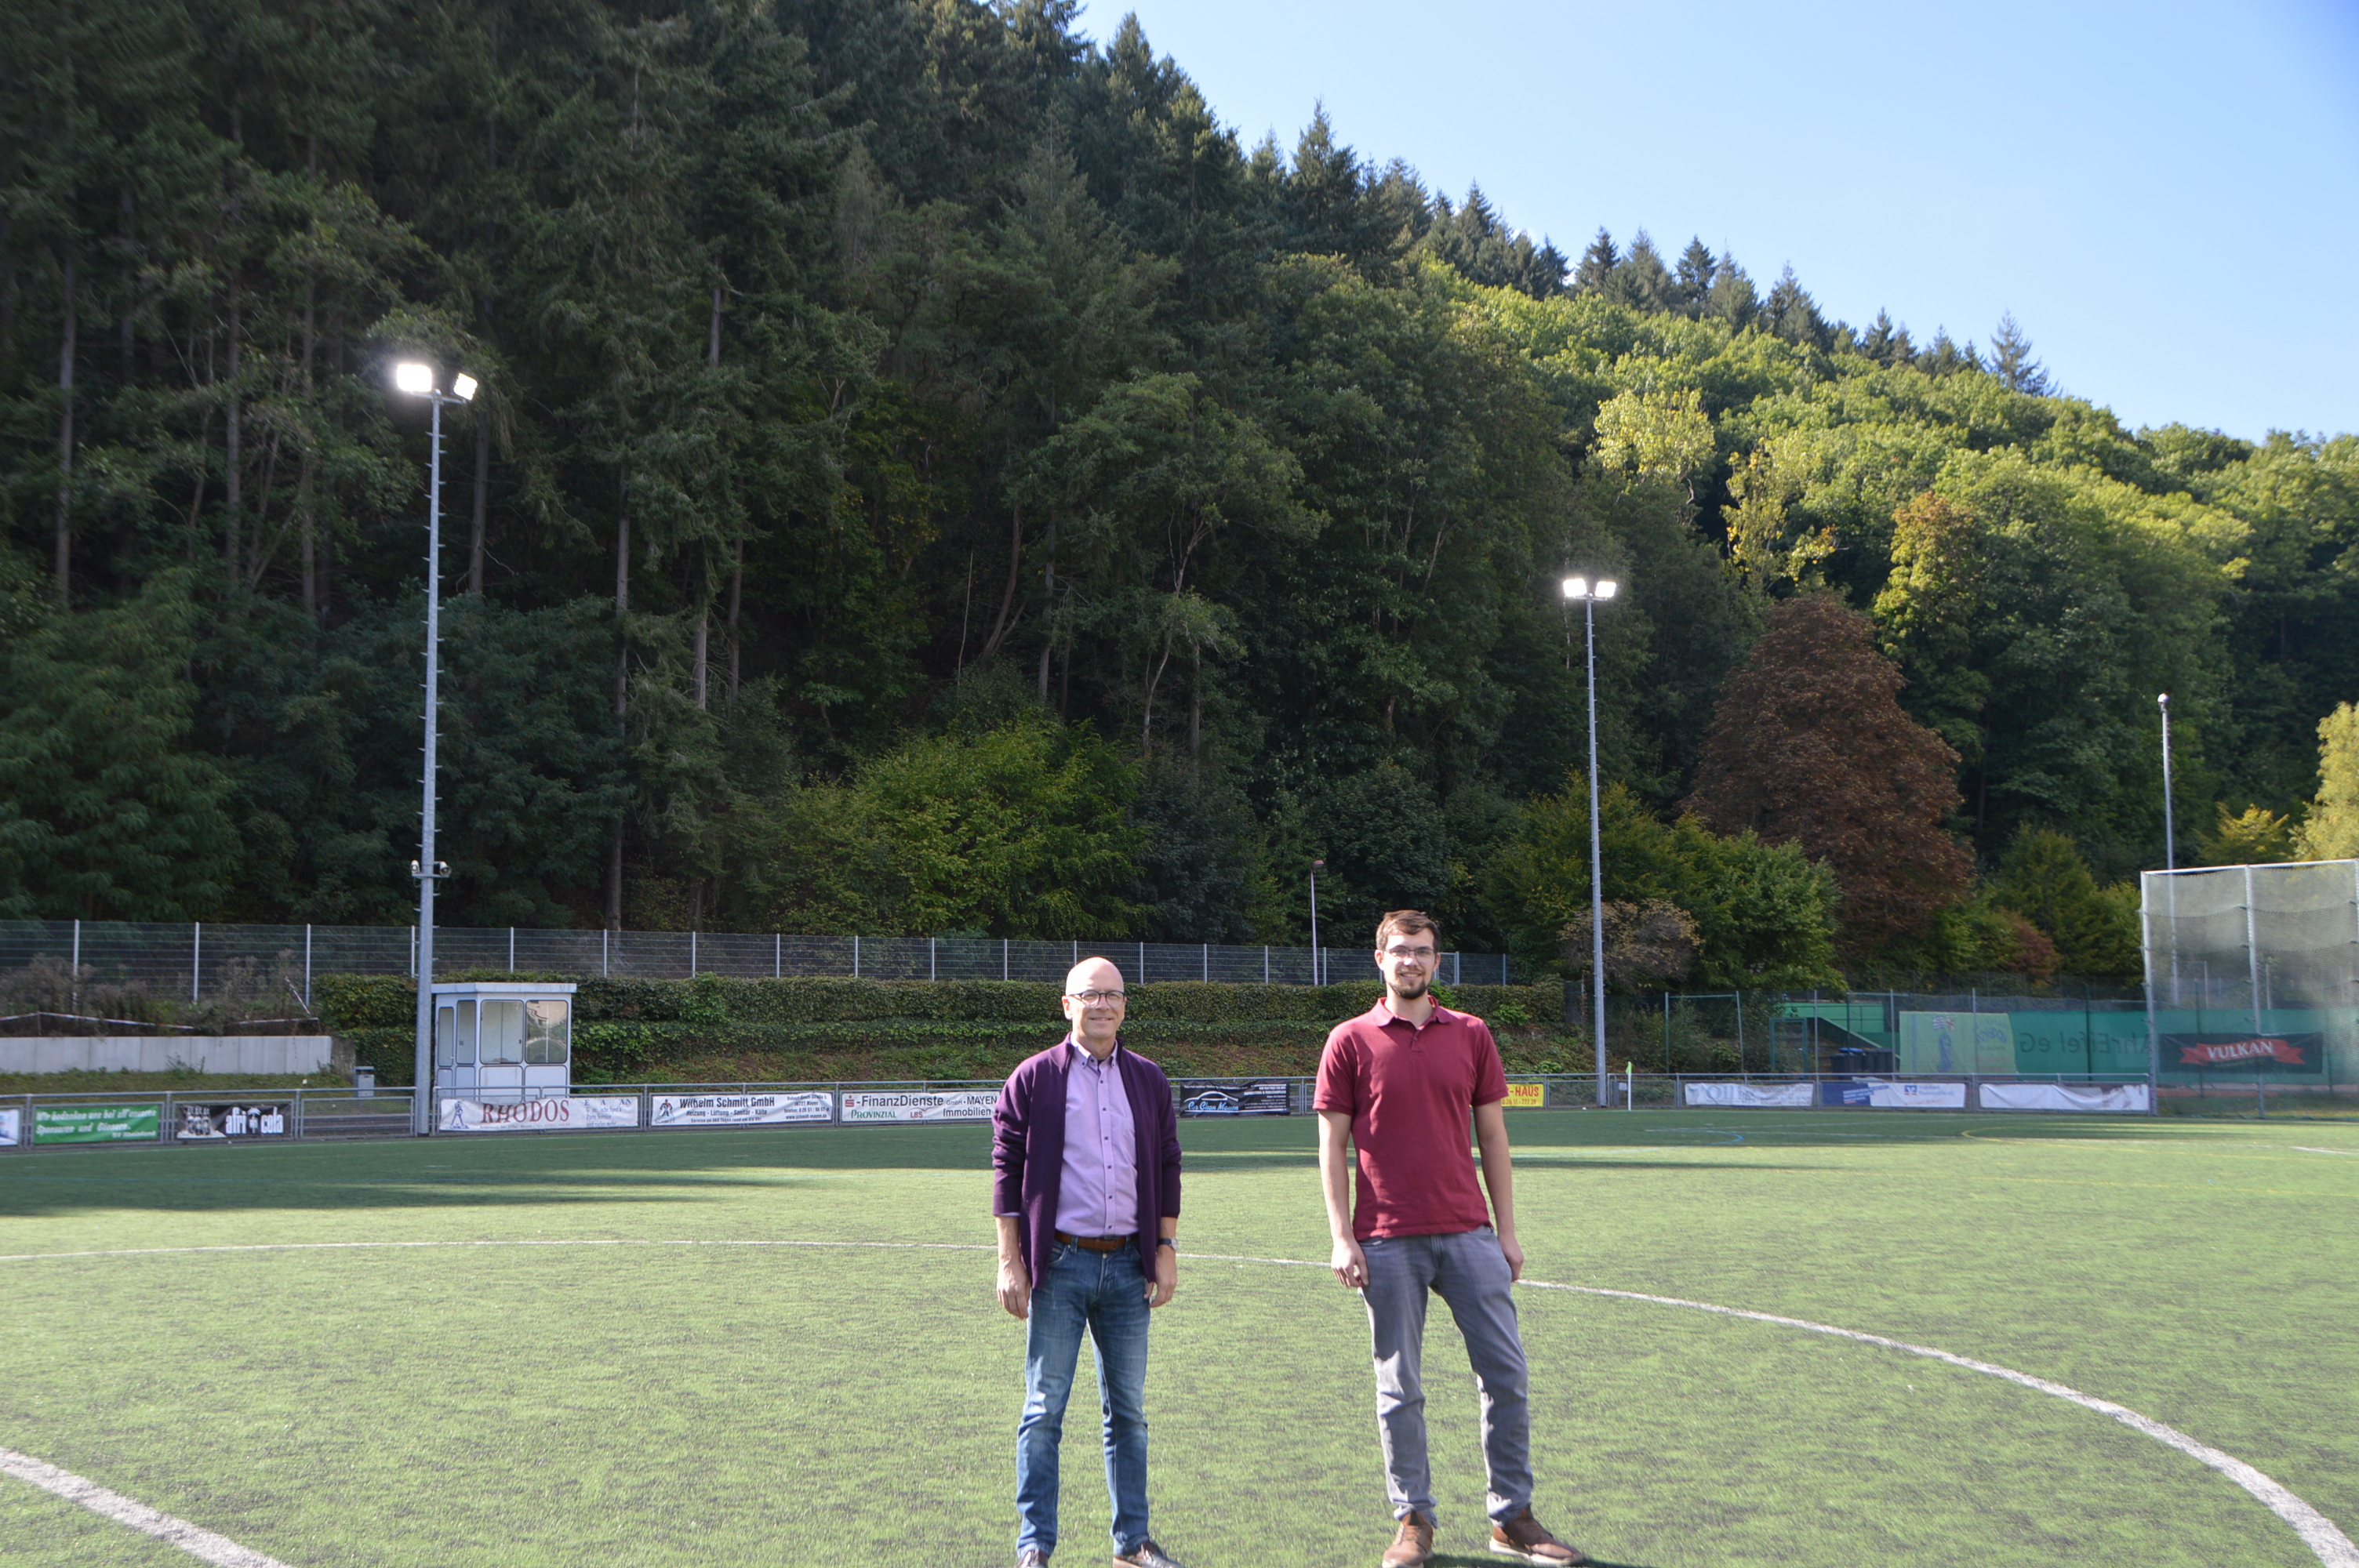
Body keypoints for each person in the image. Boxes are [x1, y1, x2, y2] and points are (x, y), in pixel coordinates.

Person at [1316, 910, 1585, 1568]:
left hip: (1469, 1233)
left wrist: (1508, 1234)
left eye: (1423, 952)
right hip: (1384, 1239)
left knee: (1507, 1376)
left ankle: (1511, 1518)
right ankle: (1413, 1519)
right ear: (1379, 959)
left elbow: (1493, 1137)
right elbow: (1332, 1146)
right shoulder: (1349, 1040)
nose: (1411, 962)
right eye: (1400, 951)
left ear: (1438, 963)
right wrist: (1342, 1237)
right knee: (1399, 1387)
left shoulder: (1471, 1034)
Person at [993, 956, 1188, 1568]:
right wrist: (1010, 1260)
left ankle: (1133, 1543)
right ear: (1066, 1004)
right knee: (1044, 1409)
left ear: (1125, 1006)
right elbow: (1006, 1172)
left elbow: (1167, 1163)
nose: (1101, 1005)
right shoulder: (1032, 1078)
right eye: (1089, 995)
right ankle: (1035, 1545)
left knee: (1127, 1410)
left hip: (1129, 1267)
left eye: (1112, 995)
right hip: (1059, 1266)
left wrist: (1165, 1248)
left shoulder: (1149, 1080)